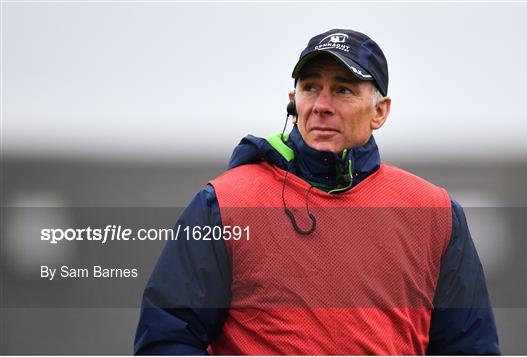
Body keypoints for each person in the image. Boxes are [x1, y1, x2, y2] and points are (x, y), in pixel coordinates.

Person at [134, 29, 500, 355]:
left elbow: (468, 348)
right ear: (294, 101)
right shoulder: (224, 204)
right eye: (311, 87)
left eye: (342, 89)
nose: (322, 105)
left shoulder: (434, 214)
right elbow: (167, 338)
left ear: (380, 112)